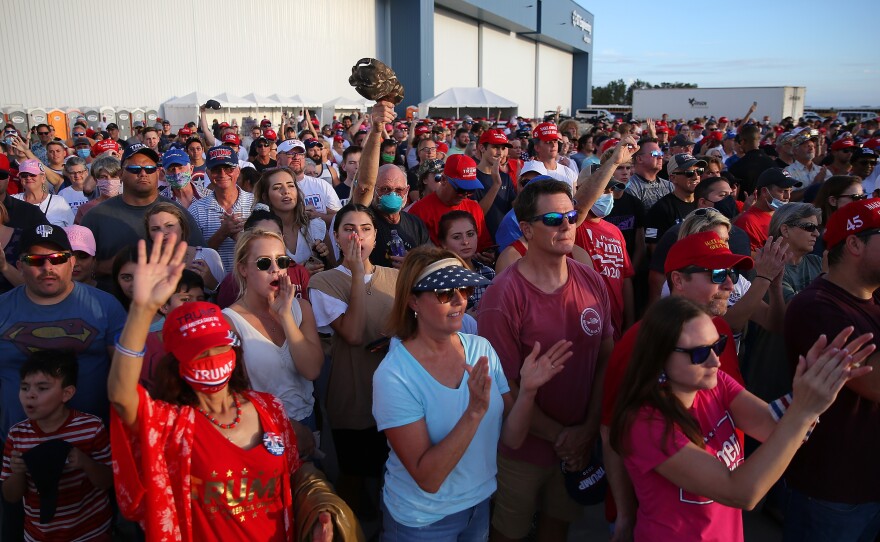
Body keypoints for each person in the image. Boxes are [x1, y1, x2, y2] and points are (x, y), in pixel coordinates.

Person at [107, 236, 360, 541]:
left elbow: (294, 481)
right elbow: (122, 397)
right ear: (177, 364)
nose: (214, 358)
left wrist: (319, 518)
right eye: (200, 352)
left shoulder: (271, 410)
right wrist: (141, 311)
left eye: (222, 347)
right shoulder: (174, 426)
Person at [608, 295, 872, 542]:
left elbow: (771, 426)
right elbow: (742, 492)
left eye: (718, 345)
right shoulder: (647, 424)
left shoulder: (714, 383)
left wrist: (812, 382)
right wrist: (803, 410)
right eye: (699, 354)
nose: (715, 361)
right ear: (660, 358)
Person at [373, 247, 568, 539]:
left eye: (464, 289)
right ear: (413, 300)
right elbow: (428, 477)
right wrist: (474, 412)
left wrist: (527, 391)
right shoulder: (394, 376)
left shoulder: (480, 349)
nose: (459, 300)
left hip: (479, 507)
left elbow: (512, 439)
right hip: (422, 521)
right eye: (443, 293)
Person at [478, 178, 614, 542]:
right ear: (526, 230)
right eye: (554, 219)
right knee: (509, 532)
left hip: (577, 444)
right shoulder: (503, 296)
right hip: (522, 452)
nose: (567, 225)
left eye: (571, 216)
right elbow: (504, 391)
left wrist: (586, 430)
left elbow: (605, 358)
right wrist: (565, 438)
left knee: (557, 527)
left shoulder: (590, 280)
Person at [782, 199, 880, 541]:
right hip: (834, 495)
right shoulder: (816, 308)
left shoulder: (874, 300)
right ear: (854, 243)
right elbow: (876, 384)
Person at [308, 203, 399, 518]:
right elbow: (354, 334)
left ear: (376, 237)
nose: (357, 236)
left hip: (398, 398)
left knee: (394, 477)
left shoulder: (397, 278)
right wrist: (358, 273)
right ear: (335, 236)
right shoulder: (324, 283)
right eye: (348, 229)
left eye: (365, 229)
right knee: (354, 481)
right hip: (354, 397)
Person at [222, 229, 325, 458]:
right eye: (263, 263)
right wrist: (284, 426)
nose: (275, 269)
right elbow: (231, 395)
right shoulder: (228, 322)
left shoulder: (301, 309)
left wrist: (286, 316)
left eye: (281, 261)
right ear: (243, 269)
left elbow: (311, 370)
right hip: (262, 431)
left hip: (308, 422)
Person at [1, 351, 113, 541]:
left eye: (42, 388)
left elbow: (108, 481)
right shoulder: (17, 435)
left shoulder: (91, 427)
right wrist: (18, 471)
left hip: (91, 533)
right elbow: (10, 496)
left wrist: (86, 463)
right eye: (25, 388)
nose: (30, 396)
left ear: (67, 393)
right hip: (39, 535)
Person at [81, 144, 204, 289]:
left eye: (150, 169)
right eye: (135, 169)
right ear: (121, 174)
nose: (143, 173)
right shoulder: (96, 216)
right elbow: (77, 266)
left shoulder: (177, 213)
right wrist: (121, 265)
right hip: (108, 305)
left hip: (164, 304)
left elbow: (201, 257)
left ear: (158, 173)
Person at [574, 178, 635, 340]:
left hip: (616, 320)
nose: (608, 195)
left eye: (610, 190)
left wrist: (629, 322)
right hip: (586, 317)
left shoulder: (615, 231)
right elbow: (578, 209)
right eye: (602, 189)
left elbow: (625, 277)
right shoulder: (574, 227)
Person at [187, 145, 254, 271]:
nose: (222, 174)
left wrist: (239, 237)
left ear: (238, 171)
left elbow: (265, 251)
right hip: (212, 288)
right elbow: (194, 258)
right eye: (216, 169)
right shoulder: (196, 210)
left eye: (228, 168)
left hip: (251, 286)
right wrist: (222, 233)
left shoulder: (256, 204)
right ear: (208, 173)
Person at [252, 167, 328, 274]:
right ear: (265, 197)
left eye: (291, 186)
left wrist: (324, 255)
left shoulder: (315, 226)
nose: (286, 191)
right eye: (277, 188)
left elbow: (335, 268)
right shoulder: (261, 233)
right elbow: (259, 275)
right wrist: (300, 271)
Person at [408, 154, 493, 250]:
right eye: (460, 189)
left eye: (470, 190)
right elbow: (415, 255)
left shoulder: (474, 208)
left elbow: (485, 245)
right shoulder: (420, 211)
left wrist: (486, 254)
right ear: (443, 180)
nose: (465, 195)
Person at [145, 202, 225, 292]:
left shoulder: (208, 255)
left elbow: (226, 297)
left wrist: (212, 282)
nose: (163, 232)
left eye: (169, 226)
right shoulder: (146, 265)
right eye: (155, 229)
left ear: (182, 227)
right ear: (149, 235)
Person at [645, 154, 706, 248]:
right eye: (689, 173)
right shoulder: (661, 209)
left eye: (699, 171)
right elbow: (654, 248)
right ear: (673, 178)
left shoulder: (705, 202)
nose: (696, 176)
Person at [438, 210, 495, 312]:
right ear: (443, 243)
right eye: (457, 237)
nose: (465, 242)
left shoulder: (488, 273)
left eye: (470, 234)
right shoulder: (440, 279)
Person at [734, 167, 801, 253]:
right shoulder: (748, 222)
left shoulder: (786, 217)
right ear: (765, 191)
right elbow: (747, 256)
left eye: (790, 191)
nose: (788, 196)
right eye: (783, 191)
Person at [13, 160, 75, 226]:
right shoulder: (13, 201)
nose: (28, 178)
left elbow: (73, 228)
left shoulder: (59, 202)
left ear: (43, 178)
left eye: (33, 175)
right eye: (24, 175)